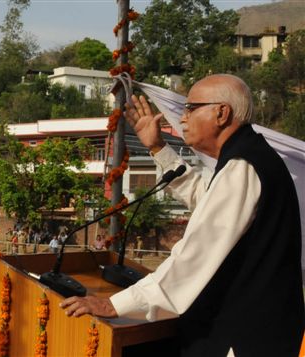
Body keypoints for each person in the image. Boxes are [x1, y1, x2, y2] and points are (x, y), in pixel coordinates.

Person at [61, 74, 304, 356]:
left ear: (221, 112)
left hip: (242, 335)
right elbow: (209, 202)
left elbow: (196, 254)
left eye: (190, 108)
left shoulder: (244, 165)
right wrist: (158, 148)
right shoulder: (250, 158)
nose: (182, 118)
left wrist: (116, 305)